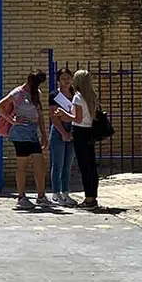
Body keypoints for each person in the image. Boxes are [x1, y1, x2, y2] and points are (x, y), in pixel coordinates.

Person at [0, 70, 52, 209]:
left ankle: (41, 196)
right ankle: (21, 197)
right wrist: (12, 120)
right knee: (22, 164)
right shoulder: (17, 93)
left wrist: (44, 135)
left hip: (32, 131)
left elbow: (39, 114)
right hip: (20, 132)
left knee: (39, 163)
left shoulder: (36, 93)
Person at [54, 69, 100, 210]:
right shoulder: (92, 96)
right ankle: (93, 196)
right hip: (90, 131)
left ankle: (88, 199)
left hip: (80, 131)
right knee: (91, 165)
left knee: (84, 166)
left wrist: (63, 113)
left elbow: (77, 118)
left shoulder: (78, 97)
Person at [49, 67, 78, 207]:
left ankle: (65, 192)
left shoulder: (76, 94)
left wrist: (71, 132)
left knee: (68, 164)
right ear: (58, 80)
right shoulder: (54, 95)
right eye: (63, 78)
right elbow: (54, 117)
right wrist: (64, 133)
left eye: (68, 78)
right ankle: (56, 193)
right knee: (58, 164)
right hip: (59, 131)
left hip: (73, 130)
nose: (66, 81)